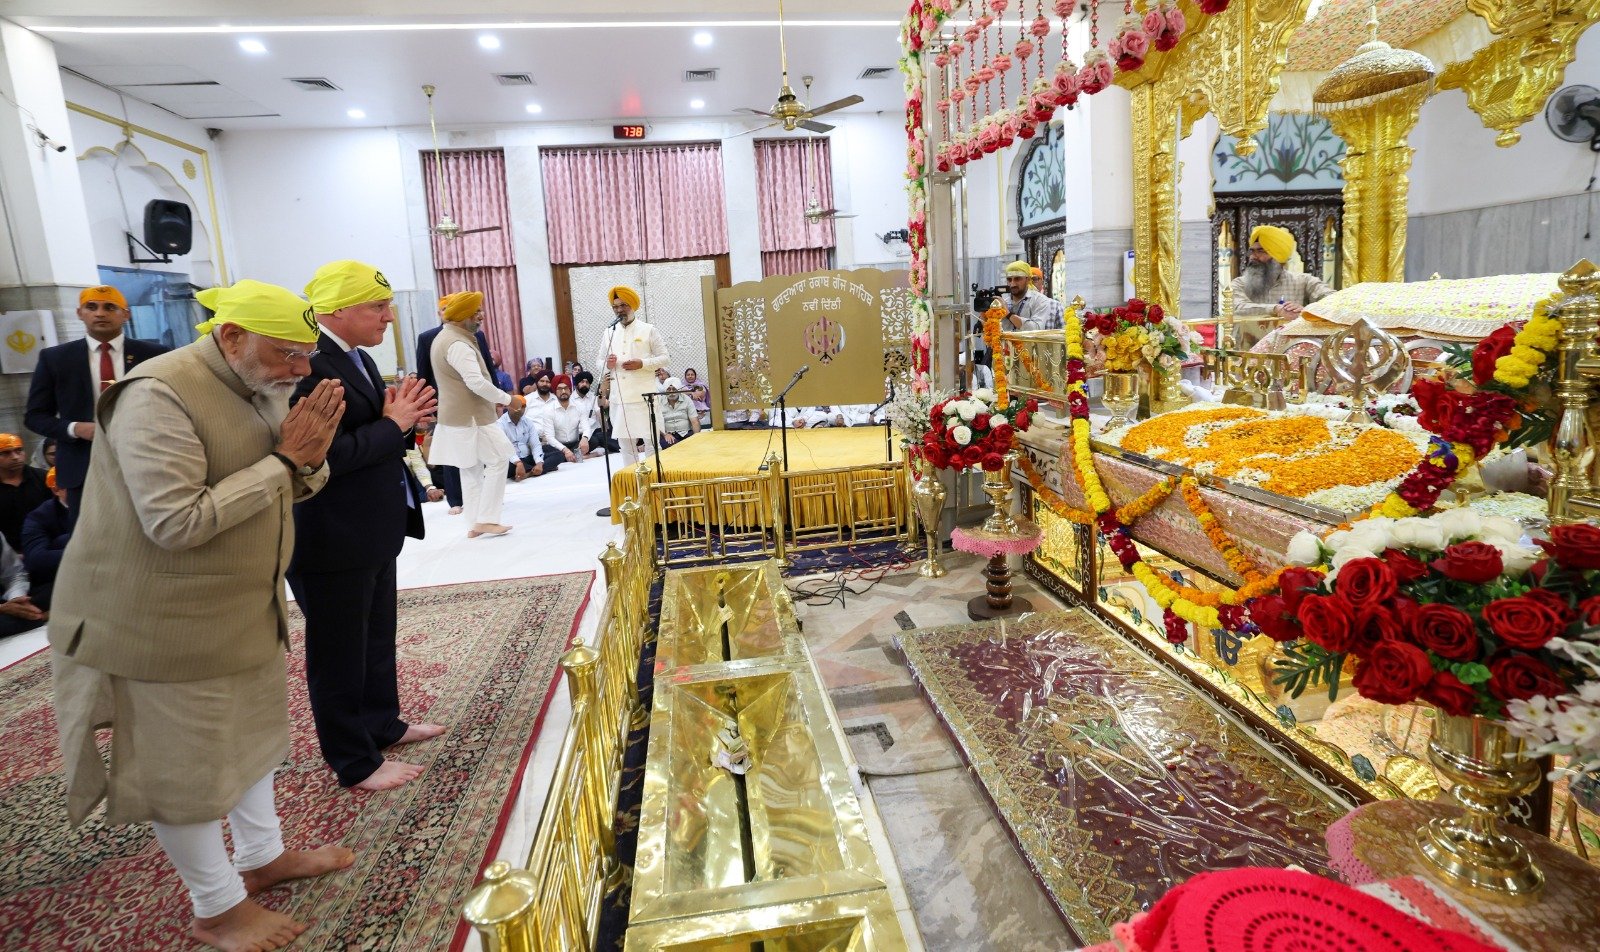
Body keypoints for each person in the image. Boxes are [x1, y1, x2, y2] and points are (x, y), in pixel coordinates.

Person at [49, 278, 353, 951]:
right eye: (286, 354)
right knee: (182, 769)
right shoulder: (158, 394)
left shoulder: (260, 383)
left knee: (249, 742)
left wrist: (307, 459)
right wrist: (287, 461)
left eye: (306, 355)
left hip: (240, 605)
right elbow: (175, 521)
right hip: (160, 620)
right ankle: (215, 908)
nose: (300, 370)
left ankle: (262, 859)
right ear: (231, 336)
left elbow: (291, 474)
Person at [289, 260, 441, 794]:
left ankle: (382, 723)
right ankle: (353, 759)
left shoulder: (355, 357)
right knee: (338, 653)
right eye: (376, 306)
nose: (387, 316)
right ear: (337, 309)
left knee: (375, 637)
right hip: (330, 534)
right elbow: (319, 457)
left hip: (369, 528)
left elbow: (374, 432)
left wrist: (402, 425)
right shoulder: (309, 364)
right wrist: (392, 424)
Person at [25, 285, 168, 514]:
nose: (100, 313)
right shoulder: (56, 359)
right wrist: (75, 428)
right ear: (80, 313)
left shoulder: (154, 354)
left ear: (126, 314)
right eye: (91, 307)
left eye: (110, 307)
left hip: (146, 459)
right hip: (82, 466)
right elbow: (35, 417)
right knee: (93, 539)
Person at [427, 290, 517, 536]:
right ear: (462, 315)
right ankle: (486, 519)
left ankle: (474, 524)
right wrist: (509, 400)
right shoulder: (458, 343)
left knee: (471, 469)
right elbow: (475, 383)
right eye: (476, 313)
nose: (481, 317)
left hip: (458, 418)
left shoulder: (447, 337)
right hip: (472, 417)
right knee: (499, 459)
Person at [415, 294, 497, 517]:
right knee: (454, 455)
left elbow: (487, 369)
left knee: (481, 454)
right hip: (447, 405)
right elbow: (424, 375)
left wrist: (496, 399)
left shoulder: (476, 334)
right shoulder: (428, 337)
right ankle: (456, 500)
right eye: (442, 309)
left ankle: (481, 502)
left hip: (477, 403)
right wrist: (425, 407)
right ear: (439, 313)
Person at [594, 285, 669, 466]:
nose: (619, 310)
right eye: (616, 307)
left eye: (624, 305)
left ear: (633, 305)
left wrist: (642, 363)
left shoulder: (648, 329)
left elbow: (665, 358)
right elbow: (599, 362)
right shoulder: (609, 332)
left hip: (644, 397)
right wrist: (607, 365)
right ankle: (633, 488)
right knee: (626, 447)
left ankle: (653, 484)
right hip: (620, 399)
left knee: (652, 443)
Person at [1231, 225, 1334, 319]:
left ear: (1277, 258)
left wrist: (1306, 310)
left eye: (1260, 251)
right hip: (1250, 339)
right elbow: (1237, 307)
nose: (1253, 257)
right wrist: (1276, 309)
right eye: (1252, 251)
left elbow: (1334, 300)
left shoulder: (1304, 281)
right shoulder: (1239, 284)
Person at [20, 466, 70, 607]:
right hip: (58, 580)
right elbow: (36, 559)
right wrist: (86, 551)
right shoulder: (39, 516)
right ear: (56, 490)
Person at [0, 434, 50, 552]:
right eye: (5, 453)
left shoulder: (44, 478)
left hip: (46, 546)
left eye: (19, 450)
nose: (15, 457)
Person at [499, 395, 561, 480]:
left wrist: (539, 462)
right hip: (512, 461)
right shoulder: (500, 424)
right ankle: (544, 468)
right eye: (516, 406)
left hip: (528, 457)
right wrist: (518, 463)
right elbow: (504, 449)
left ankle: (531, 472)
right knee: (503, 466)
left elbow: (535, 445)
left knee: (558, 454)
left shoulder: (528, 422)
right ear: (508, 406)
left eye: (522, 406)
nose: (519, 409)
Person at [545, 375, 598, 460]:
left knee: (593, 440)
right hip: (559, 447)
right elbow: (550, 437)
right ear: (555, 391)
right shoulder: (548, 410)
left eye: (566, 388)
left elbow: (586, 427)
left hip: (575, 444)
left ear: (570, 390)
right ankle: (581, 456)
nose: (563, 391)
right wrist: (565, 450)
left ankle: (571, 457)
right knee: (550, 452)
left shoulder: (579, 406)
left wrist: (584, 438)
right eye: (559, 389)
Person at [999, 260, 1053, 331]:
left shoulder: (1040, 301)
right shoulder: (1003, 303)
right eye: (1009, 280)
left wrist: (1008, 314)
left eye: (1017, 279)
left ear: (1028, 280)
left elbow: (1036, 329)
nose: (1012, 284)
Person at [656, 379, 700, 446]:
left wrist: (696, 438)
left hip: (686, 433)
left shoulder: (686, 399)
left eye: (674, 389)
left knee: (691, 446)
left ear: (679, 390)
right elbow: (657, 422)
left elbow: (695, 421)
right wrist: (665, 434)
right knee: (669, 446)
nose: (671, 392)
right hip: (668, 435)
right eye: (669, 389)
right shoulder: (659, 402)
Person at [1030, 266, 1066, 330]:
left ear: (1042, 282)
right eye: (1027, 280)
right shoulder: (1016, 306)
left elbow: (1064, 333)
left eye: (1034, 279)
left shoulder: (1055, 306)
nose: (1030, 283)